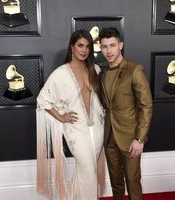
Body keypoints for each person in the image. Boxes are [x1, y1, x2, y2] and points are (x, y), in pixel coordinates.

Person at [36, 29, 105, 200]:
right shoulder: (61, 73)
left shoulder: (95, 69)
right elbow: (42, 99)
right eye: (80, 45)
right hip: (75, 130)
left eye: (88, 46)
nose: (84, 50)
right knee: (88, 170)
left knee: (86, 171)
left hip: (97, 128)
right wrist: (60, 117)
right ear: (72, 47)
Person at [99, 27, 153, 200]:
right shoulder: (102, 73)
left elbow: (146, 106)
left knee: (133, 181)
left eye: (112, 45)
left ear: (120, 45)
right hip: (109, 138)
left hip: (131, 139)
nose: (109, 51)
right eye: (105, 46)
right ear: (100, 48)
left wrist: (140, 139)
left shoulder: (134, 70)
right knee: (116, 182)